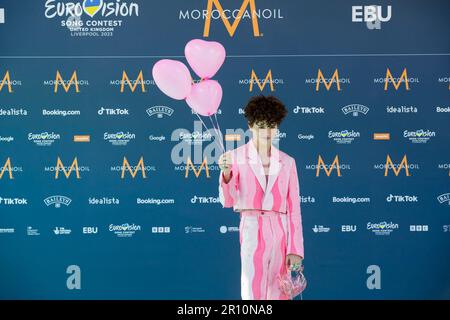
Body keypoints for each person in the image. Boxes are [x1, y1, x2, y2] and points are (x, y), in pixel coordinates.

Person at [218, 95, 304, 300]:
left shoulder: (287, 162)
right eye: (262, 125)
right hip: (252, 227)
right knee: (252, 288)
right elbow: (227, 201)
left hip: (280, 230)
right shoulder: (235, 157)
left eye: (272, 126)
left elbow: (294, 209)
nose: (267, 132)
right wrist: (226, 175)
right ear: (250, 125)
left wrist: (295, 249)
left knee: (281, 290)